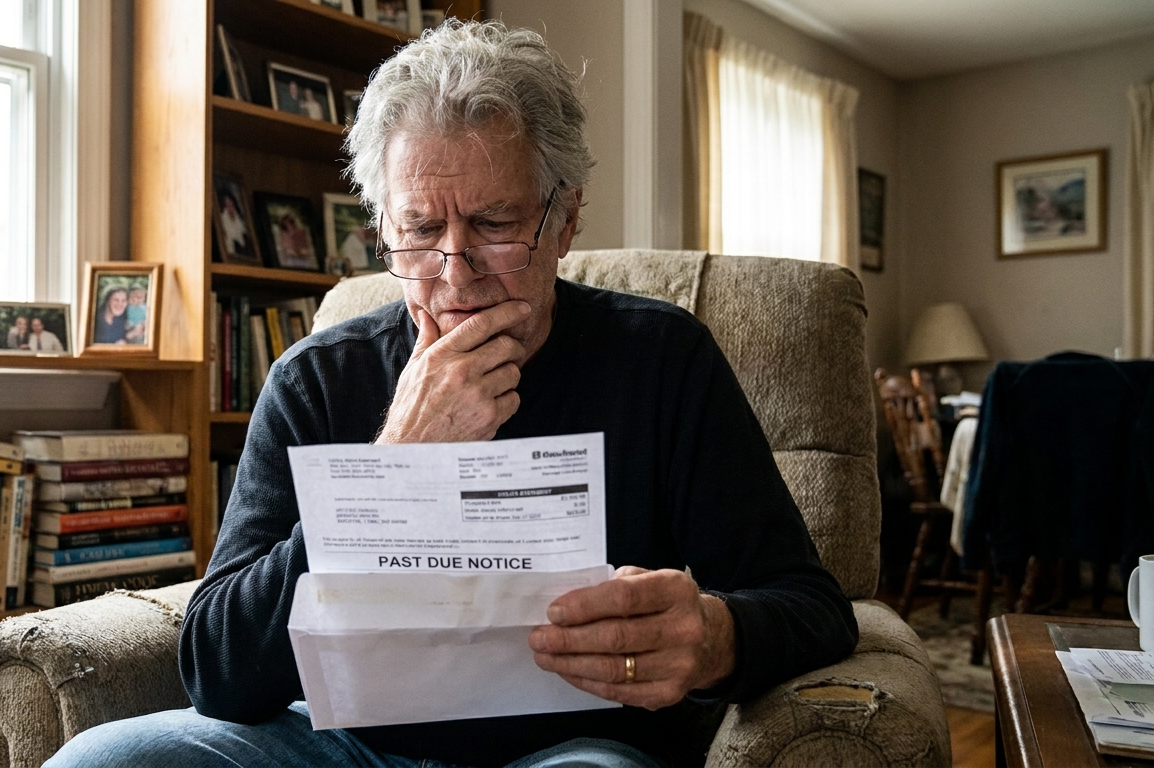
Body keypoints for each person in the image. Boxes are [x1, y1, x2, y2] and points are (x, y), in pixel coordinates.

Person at [46, 20, 856, 768]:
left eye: (496, 224)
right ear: (384, 229)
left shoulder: (662, 359)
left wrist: (714, 636)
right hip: (343, 747)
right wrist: (397, 467)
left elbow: (814, 606)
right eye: (423, 231)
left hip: (576, 748)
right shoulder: (316, 378)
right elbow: (218, 669)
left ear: (565, 219)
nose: (455, 271)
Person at [218, 192, 252, 259]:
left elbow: (243, 234)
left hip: (242, 251)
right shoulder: (222, 220)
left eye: (231, 202)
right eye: (227, 204)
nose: (230, 205)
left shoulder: (238, 217)